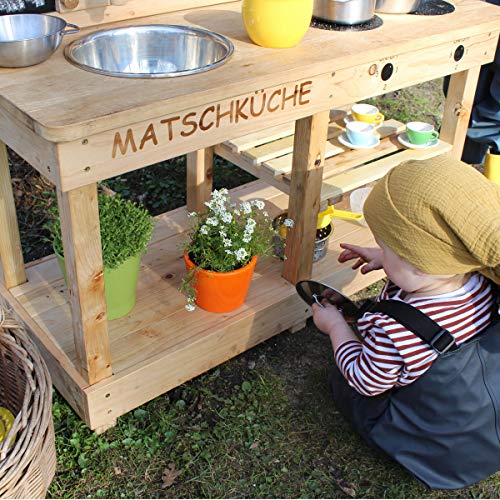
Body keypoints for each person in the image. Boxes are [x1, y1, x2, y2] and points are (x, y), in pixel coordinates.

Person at [312, 155, 500, 489]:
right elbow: (426, 272)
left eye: (385, 246)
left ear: (419, 263)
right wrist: (390, 261)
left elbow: (366, 381)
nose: (379, 250)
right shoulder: (479, 277)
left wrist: (336, 327)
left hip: (429, 448)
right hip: (471, 425)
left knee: (347, 385)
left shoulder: (396, 332)